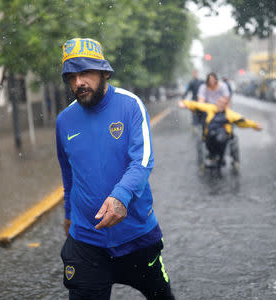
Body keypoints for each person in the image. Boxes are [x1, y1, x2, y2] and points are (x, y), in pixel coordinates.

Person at [56, 38, 174, 300]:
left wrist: (121, 195)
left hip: (137, 235)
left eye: (85, 72)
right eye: (71, 77)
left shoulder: (130, 105)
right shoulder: (64, 121)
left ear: (104, 72)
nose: (78, 83)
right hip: (86, 241)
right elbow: (68, 174)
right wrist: (68, 214)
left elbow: (142, 160)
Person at [178, 97, 262, 170]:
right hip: (209, 135)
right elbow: (195, 105)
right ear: (217, 103)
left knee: (220, 138)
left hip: (223, 136)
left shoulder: (229, 114)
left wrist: (254, 125)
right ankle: (213, 155)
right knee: (212, 135)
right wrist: (184, 103)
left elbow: (243, 121)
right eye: (220, 103)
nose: (221, 105)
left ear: (226, 105)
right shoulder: (209, 108)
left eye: (223, 104)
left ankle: (220, 157)